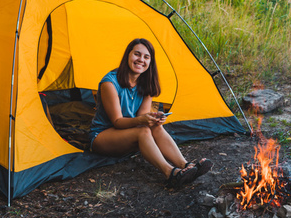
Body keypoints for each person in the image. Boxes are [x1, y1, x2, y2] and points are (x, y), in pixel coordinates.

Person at [89, 38, 212, 187]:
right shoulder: (110, 83)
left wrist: (153, 119)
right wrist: (142, 121)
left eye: (146, 57)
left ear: (150, 62)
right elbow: (117, 122)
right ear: (128, 55)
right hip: (102, 137)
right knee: (143, 132)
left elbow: (142, 117)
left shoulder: (146, 83)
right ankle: (170, 173)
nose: (141, 60)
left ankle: (185, 165)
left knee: (154, 127)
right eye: (137, 54)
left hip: (127, 133)